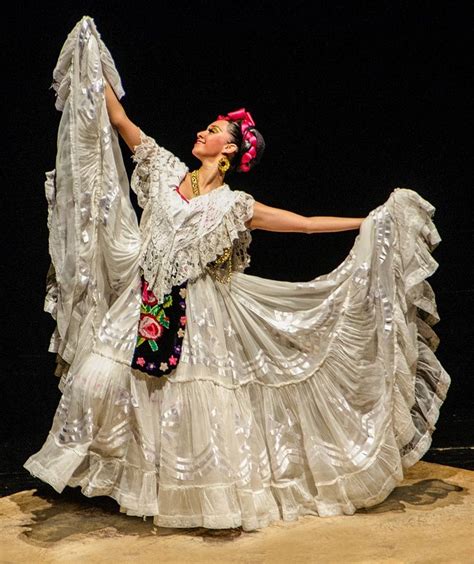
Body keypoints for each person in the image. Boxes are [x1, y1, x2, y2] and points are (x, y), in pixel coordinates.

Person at [24, 16, 450, 532]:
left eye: (215, 130)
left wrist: (372, 220)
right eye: (206, 127)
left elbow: (306, 225)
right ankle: (120, 477)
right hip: (144, 304)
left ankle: (179, 494)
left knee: (187, 406)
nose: (203, 131)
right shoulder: (162, 171)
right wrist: (90, 51)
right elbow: (118, 119)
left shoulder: (235, 206)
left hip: (197, 314)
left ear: (229, 151)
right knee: (97, 381)